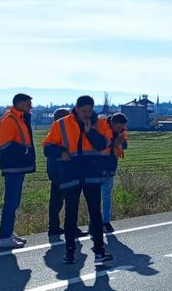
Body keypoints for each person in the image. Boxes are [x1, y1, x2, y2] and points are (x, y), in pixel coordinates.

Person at [42, 95, 114, 265]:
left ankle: (99, 252)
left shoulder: (100, 123)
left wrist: (90, 132)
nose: (87, 114)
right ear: (76, 108)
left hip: (91, 174)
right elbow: (47, 147)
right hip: (70, 174)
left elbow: (103, 144)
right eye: (84, 111)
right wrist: (61, 153)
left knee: (95, 214)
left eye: (90, 110)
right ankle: (69, 253)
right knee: (70, 214)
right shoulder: (61, 124)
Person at [0, 93, 36, 249]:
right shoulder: (10, 119)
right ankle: (4, 237)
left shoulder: (18, 118)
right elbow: (5, 144)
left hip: (17, 166)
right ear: (19, 104)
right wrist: (25, 150)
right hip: (13, 166)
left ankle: (8, 233)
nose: (30, 107)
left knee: (14, 202)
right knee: (11, 202)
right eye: (28, 104)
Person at [46, 108, 87, 238]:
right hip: (66, 171)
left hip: (54, 170)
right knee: (71, 200)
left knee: (56, 200)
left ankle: (53, 226)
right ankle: (72, 228)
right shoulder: (66, 132)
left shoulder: (52, 131)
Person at [101, 113, 129, 233]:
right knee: (95, 197)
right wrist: (115, 143)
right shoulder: (101, 128)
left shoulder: (121, 131)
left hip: (111, 166)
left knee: (107, 196)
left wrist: (119, 143)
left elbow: (125, 144)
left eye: (122, 126)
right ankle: (94, 223)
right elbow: (98, 145)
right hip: (97, 167)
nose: (121, 129)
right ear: (112, 123)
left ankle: (106, 222)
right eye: (119, 126)